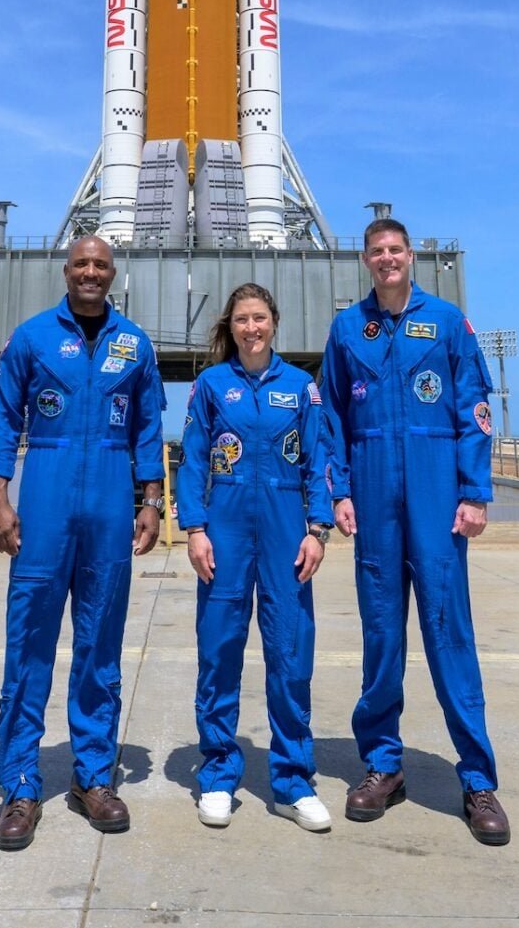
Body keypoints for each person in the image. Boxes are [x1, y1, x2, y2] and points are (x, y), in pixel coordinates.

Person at [322, 216, 510, 846]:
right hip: (373, 501)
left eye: (395, 250)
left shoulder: (448, 322)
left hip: (435, 499)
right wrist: (340, 493)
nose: (386, 259)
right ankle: (382, 766)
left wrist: (474, 492)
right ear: (365, 261)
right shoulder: (348, 328)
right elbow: (333, 421)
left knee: (449, 635)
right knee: (381, 637)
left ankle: (478, 779)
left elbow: (474, 409)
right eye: (376, 252)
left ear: (411, 255)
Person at [0, 234, 166, 851]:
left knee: (99, 647)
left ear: (113, 275)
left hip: (110, 504)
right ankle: (21, 785)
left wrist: (150, 501)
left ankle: (92, 777)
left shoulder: (133, 344)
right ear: (67, 271)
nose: (91, 272)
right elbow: (4, 419)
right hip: (46, 501)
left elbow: (146, 429)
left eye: (101, 265)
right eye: (82, 263)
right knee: (28, 644)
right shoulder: (31, 338)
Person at [177, 282, 344, 832]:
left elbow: (319, 459)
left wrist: (317, 529)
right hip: (223, 530)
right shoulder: (209, 386)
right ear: (231, 325)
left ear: (274, 322)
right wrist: (194, 529)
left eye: (261, 318)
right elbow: (193, 460)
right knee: (219, 651)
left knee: (291, 653)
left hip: (284, 529)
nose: (253, 328)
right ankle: (220, 774)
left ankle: (293, 782)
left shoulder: (301, 387)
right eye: (243, 319)